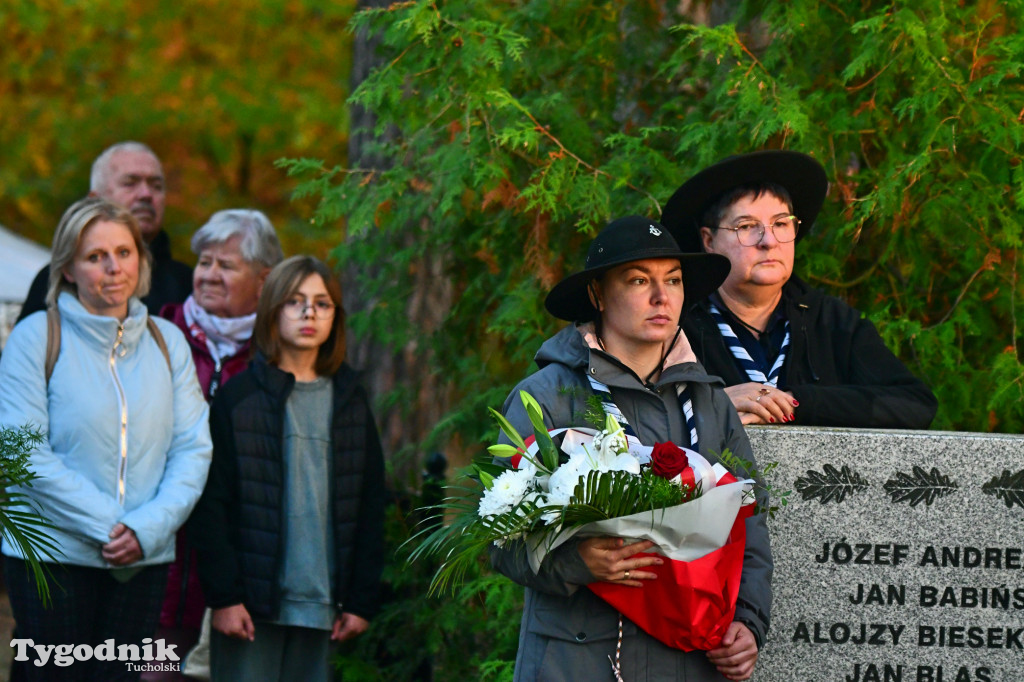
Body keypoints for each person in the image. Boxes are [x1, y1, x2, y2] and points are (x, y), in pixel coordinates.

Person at [491, 215, 773, 681]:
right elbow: (500, 538)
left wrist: (747, 621)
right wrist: (576, 562)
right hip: (577, 661)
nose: (662, 297)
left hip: (687, 661)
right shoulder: (544, 398)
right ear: (599, 295)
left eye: (674, 280)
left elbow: (751, 517)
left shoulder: (709, 402)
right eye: (639, 280)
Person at [0, 197, 212, 681]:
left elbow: (192, 447)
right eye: (95, 256)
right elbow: (22, 453)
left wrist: (146, 530)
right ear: (69, 269)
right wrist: (113, 527)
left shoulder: (167, 341)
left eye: (124, 252)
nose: (114, 268)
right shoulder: (36, 337)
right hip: (52, 560)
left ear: (142, 260)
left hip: (142, 562)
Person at [188, 256, 386, 682]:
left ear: (336, 315)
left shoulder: (351, 401)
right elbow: (210, 505)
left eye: (322, 303)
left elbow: (370, 504)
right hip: (250, 609)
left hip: (326, 609)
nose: (309, 313)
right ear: (273, 310)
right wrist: (224, 597)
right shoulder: (237, 400)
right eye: (295, 301)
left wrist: (360, 601)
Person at [660, 150, 938, 428]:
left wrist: (796, 402)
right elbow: (634, 414)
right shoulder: (676, 323)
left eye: (781, 223)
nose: (768, 241)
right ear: (708, 241)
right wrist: (712, 403)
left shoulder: (832, 322)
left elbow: (915, 404)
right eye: (746, 226)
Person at [147, 209, 284, 681]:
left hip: (236, 581)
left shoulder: (279, 357)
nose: (208, 274)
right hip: (155, 572)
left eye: (226, 265)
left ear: (264, 281)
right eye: (204, 262)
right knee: (150, 673)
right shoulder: (156, 337)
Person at [17, 141, 192, 321]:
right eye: (130, 183)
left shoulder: (188, 284)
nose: (146, 194)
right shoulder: (57, 280)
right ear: (95, 199)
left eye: (156, 185)